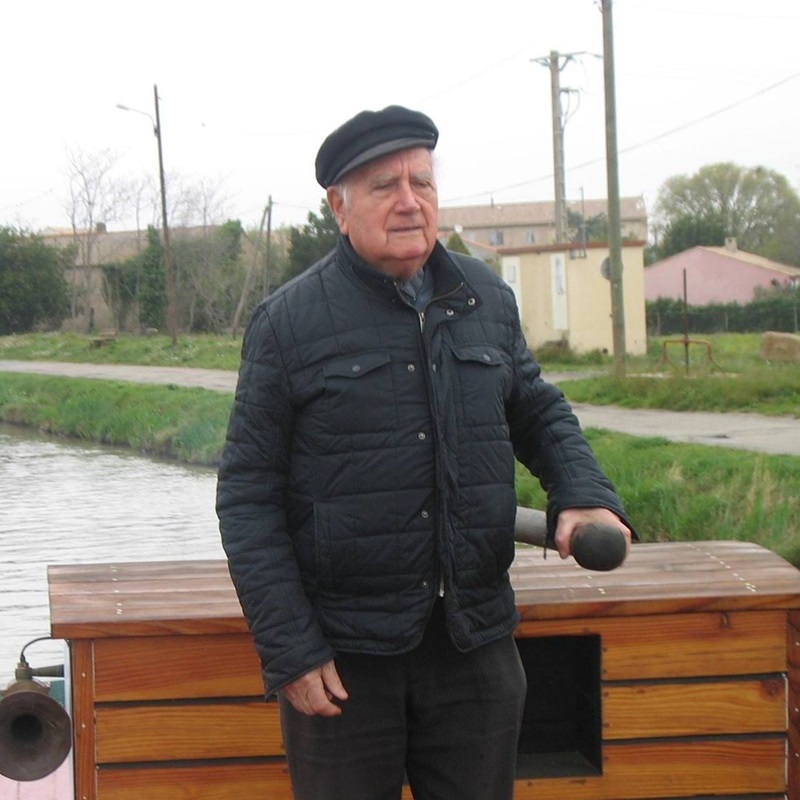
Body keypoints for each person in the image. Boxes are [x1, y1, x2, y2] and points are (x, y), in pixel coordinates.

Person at [216, 104, 634, 800]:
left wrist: (584, 493)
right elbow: (247, 497)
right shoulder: (287, 324)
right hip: (343, 659)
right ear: (338, 207)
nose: (410, 201)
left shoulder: (485, 297)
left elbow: (535, 408)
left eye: (423, 182)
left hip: (475, 644)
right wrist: (290, 649)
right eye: (385, 186)